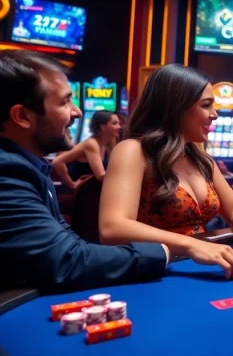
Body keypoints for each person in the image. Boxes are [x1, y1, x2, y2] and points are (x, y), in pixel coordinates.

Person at [98, 64, 233, 280]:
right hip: (156, 271)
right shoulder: (133, 151)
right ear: (176, 107)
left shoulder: (201, 159)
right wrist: (191, 244)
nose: (215, 115)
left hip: (201, 266)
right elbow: (112, 228)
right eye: (206, 105)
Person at [0, 50, 168, 291]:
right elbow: (66, 261)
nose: (77, 112)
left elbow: (70, 245)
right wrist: (164, 251)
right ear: (23, 116)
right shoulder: (8, 172)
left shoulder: (31, 166)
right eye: (65, 101)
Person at [51, 110, 120, 189]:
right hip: (79, 192)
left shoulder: (109, 141)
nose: (119, 127)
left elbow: (115, 165)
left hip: (93, 190)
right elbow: (56, 162)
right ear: (102, 126)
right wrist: (72, 184)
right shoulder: (91, 144)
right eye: (114, 123)